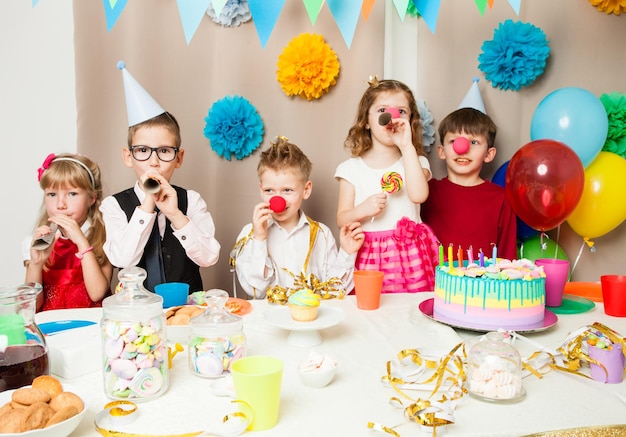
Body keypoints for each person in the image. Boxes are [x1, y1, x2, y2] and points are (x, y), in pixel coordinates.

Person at [101, 61, 219, 292]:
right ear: (128, 157)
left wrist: (175, 214)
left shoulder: (191, 200)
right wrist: (147, 206)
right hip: (136, 310)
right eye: (143, 151)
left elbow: (208, 257)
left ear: (179, 158)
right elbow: (122, 260)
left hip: (186, 309)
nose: (154, 161)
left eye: (164, 151)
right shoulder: (113, 205)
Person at [335, 78, 439, 293]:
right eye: (383, 110)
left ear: (410, 120)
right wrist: (362, 210)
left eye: (401, 111)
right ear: (366, 121)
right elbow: (341, 218)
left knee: (410, 312)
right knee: (371, 314)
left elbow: (419, 196)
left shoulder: (416, 161)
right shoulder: (350, 169)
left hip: (410, 256)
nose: (392, 117)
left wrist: (406, 145)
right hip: (368, 254)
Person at [232, 136, 364, 300]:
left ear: (306, 190)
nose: (277, 200)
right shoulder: (249, 234)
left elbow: (334, 291)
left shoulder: (322, 234)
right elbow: (256, 291)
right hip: (267, 322)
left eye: (287, 190)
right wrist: (260, 239)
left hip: (310, 322)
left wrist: (347, 252)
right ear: (261, 189)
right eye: (269, 191)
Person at [421, 107, 517, 261]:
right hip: (434, 283)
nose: (462, 149)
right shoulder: (426, 191)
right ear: (442, 151)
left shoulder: (501, 199)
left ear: (489, 154)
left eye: (473, 142)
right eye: (453, 141)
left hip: (484, 283)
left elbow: (507, 257)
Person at [24, 153, 113, 311]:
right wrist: (36, 265)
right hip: (51, 330)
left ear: (92, 197)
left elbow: (97, 294)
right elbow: (32, 306)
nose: (60, 204)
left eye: (72, 194)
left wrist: (81, 242)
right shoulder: (35, 242)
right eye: (52, 194)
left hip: (91, 326)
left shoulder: (104, 237)